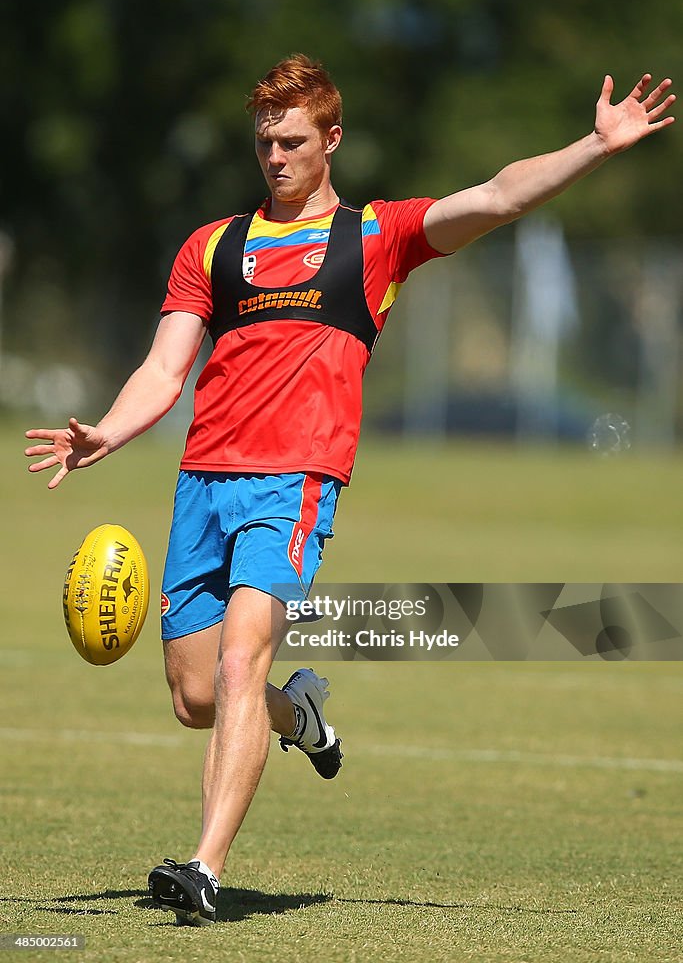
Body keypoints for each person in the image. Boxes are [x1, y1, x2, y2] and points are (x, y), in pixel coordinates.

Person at [25, 55, 675, 926]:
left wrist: (591, 149)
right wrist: (107, 427)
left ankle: (203, 866)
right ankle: (303, 719)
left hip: (293, 480)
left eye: (292, 140)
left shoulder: (375, 237)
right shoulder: (211, 246)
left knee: (238, 654)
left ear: (331, 139)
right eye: (263, 142)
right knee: (198, 696)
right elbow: (164, 365)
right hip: (203, 483)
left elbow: (494, 195)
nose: (276, 156)